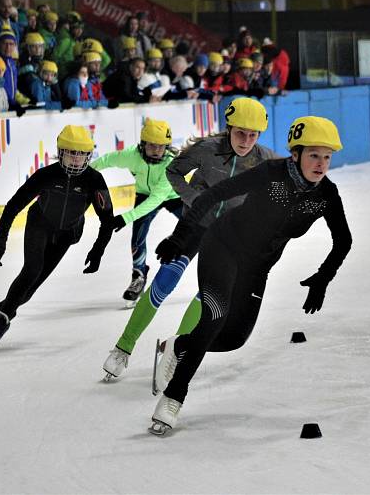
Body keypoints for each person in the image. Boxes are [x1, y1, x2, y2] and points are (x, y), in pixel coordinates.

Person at [148, 116, 352, 435]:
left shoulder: (325, 194)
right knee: (214, 316)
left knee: (233, 339)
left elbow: (344, 240)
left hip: (257, 267)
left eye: (327, 157)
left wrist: (323, 277)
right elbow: (211, 197)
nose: (321, 164)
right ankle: (174, 398)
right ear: (296, 154)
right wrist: (180, 237)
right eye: (314, 155)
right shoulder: (271, 174)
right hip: (223, 247)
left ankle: (178, 346)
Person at [100, 97, 279, 381]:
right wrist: (196, 200)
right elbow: (174, 171)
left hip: (226, 238)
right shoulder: (206, 150)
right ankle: (124, 346)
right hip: (194, 226)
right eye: (240, 133)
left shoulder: (265, 159)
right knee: (163, 282)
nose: (246, 140)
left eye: (252, 135)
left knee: (206, 296)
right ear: (229, 128)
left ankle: (173, 352)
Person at [0, 125, 115, 351]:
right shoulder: (46, 175)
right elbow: (13, 207)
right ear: (61, 153)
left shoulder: (94, 180)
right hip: (39, 225)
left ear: (89, 156)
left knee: (29, 291)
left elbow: (107, 219)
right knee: (31, 271)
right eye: (72, 153)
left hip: (67, 234)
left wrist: (98, 250)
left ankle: (2, 308)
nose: (76, 160)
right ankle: (2, 319)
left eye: (82, 155)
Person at [89, 119, 182, 316]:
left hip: (174, 196)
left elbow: (157, 198)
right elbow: (106, 160)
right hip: (143, 195)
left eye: (161, 146)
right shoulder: (131, 156)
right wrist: (87, 175)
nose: (157, 150)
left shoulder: (171, 163)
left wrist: (125, 217)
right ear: (142, 144)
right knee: (137, 238)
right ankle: (138, 275)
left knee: (199, 227)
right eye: (152, 145)